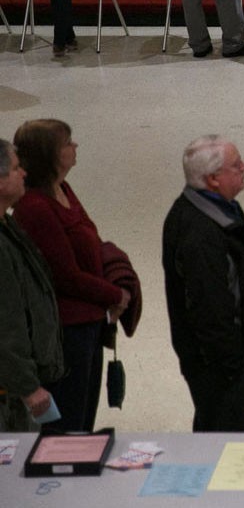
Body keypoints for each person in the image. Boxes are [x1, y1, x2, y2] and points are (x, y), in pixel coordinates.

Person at [162, 135, 244, 432]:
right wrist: (235, 369)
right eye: (236, 165)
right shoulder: (199, 232)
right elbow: (210, 308)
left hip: (227, 363)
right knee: (223, 440)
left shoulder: (220, 209)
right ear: (213, 179)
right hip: (222, 370)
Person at [12, 120, 129, 432]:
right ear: (48, 153)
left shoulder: (63, 189)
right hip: (68, 332)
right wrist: (115, 295)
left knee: (83, 423)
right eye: (67, 143)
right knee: (68, 426)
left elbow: (91, 240)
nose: (75, 147)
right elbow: (66, 276)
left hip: (90, 324)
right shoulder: (35, 206)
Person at [0, 139, 64, 433]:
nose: (24, 173)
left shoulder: (8, 226)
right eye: (16, 168)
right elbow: (6, 322)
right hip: (9, 395)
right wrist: (27, 385)